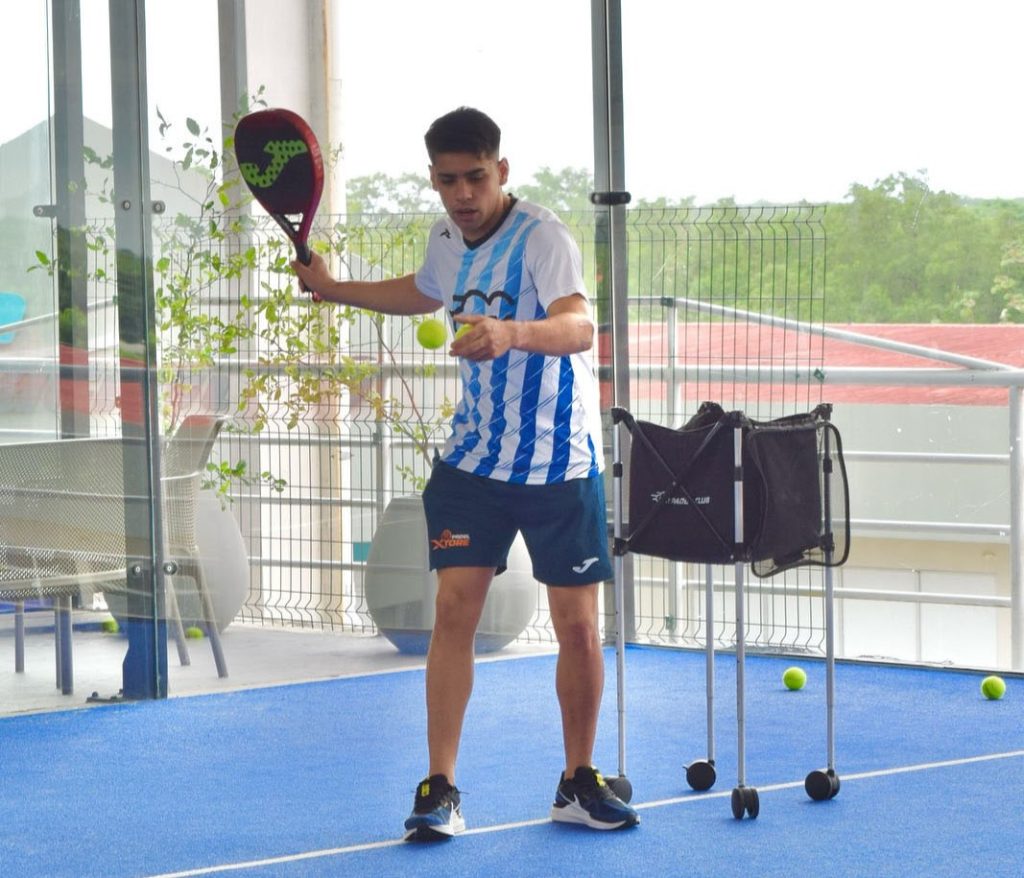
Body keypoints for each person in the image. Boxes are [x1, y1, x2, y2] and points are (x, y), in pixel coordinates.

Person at [292, 106, 638, 840]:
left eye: (476, 177)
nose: (464, 193)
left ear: (500, 172)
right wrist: (334, 288)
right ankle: (440, 788)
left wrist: (512, 331)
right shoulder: (448, 238)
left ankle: (578, 781)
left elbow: (580, 327)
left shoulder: (544, 238)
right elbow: (423, 289)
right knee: (454, 611)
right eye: (449, 180)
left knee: (577, 628)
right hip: (474, 460)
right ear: (435, 180)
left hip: (556, 462)